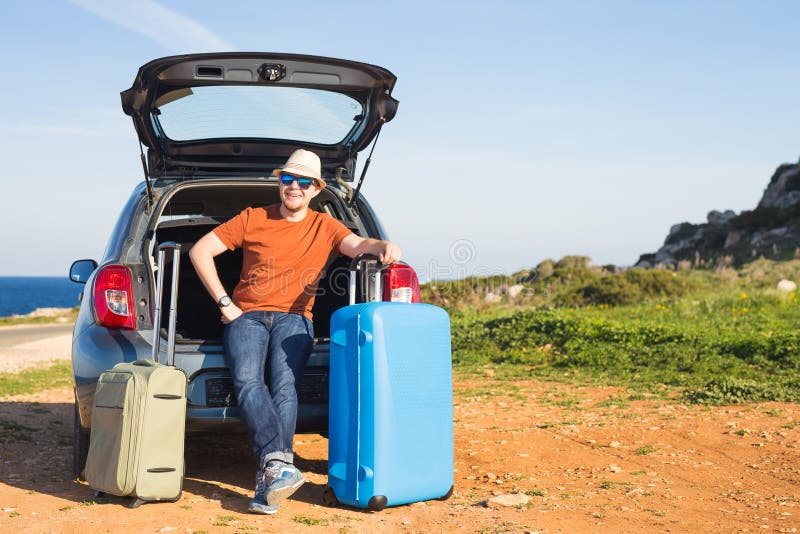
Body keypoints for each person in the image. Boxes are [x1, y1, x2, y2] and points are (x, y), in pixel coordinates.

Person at [189, 148, 401, 514]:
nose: (295, 187)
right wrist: (226, 304)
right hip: (247, 316)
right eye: (289, 179)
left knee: (284, 386)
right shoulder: (252, 217)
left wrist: (382, 245)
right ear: (279, 181)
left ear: (316, 189)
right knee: (248, 382)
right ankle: (278, 464)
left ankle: (272, 472)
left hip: (296, 317)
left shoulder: (325, 225)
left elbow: (358, 246)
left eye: (304, 182)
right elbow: (200, 250)